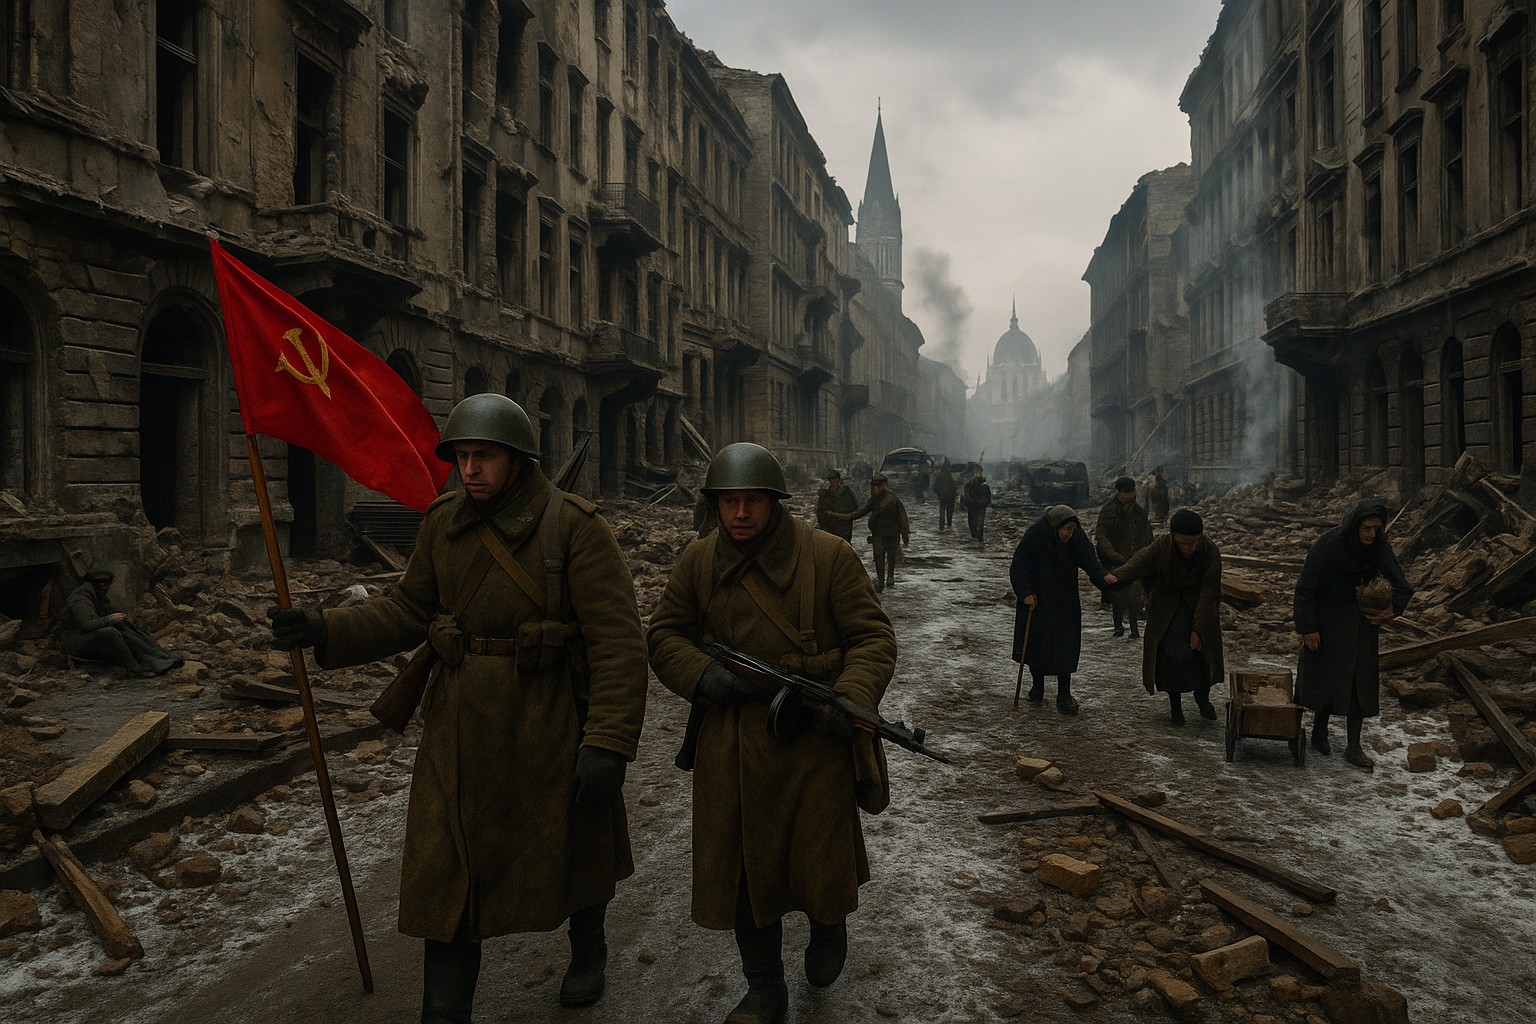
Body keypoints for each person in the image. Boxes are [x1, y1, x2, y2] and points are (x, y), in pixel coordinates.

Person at [267, 393, 648, 1020]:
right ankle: (444, 1007)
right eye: (462, 457)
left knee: (574, 845)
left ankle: (589, 946)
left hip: (547, 716)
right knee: (445, 868)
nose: (470, 470)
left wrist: (607, 740)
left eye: (485, 457)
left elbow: (618, 644)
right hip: (460, 723)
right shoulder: (442, 523)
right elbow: (407, 610)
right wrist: (324, 628)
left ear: (519, 460)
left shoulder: (574, 527)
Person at [647, 442, 897, 1024]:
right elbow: (664, 636)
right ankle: (763, 988)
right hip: (730, 742)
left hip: (812, 739)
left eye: (751, 502)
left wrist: (853, 697)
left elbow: (872, 639)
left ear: (774, 503)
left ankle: (828, 925)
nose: (739, 514)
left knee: (818, 858)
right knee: (740, 871)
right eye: (728, 502)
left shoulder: (828, 558)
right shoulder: (697, 563)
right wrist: (705, 675)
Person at [1293, 497, 1412, 770]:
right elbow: (1306, 588)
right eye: (1366, 528)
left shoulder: (1378, 547)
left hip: (1361, 626)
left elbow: (1402, 585)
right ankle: (1319, 731)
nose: (1371, 534)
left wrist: (1389, 611)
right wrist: (1308, 628)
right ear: (1354, 526)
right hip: (1328, 621)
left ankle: (1353, 746)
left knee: (1360, 684)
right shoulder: (1329, 545)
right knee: (1326, 675)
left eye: (1376, 528)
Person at [1105, 509, 1224, 725]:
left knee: (1202, 656)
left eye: (1194, 542)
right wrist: (1115, 578)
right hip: (1167, 608)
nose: (1191, 548)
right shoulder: (1162, 547)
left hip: (1199, 607)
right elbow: (1139, 563)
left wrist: (1199, 629)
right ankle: (1175, 707)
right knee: (1171, 658)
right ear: (1174, 537)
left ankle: (1202, 698)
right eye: (1185, 543)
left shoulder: (1209, 551)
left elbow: (1209, 594)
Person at [1010, 504, 1110, 714]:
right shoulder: (1036, 534)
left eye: (1072, 530)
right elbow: (1020, 564)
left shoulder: (1075, 537)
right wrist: (1026, 592)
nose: (1068, 534)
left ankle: (1064, 694)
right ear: (1055, 527)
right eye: (1065, 530)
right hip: (1038, 600)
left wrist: (1104, 578)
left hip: (1065, 600)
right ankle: (1038, 685)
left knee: (1066, 646)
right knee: (1037, 645)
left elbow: (1089, 560)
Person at [61, 565, 181, 676]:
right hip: (75, 642)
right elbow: (86, 624)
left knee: (124, 626)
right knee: (110, 632)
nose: (108, 588)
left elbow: (110, 611)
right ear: (101, 584)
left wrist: (120, 618)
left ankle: (159, 657)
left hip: (88, 637)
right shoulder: (80, 599)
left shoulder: (96, 596)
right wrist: (110, 619)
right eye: (107, 585)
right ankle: (134, 668)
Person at [1095, 477, 1154, 639]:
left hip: (1134, 558)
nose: (1130, 495)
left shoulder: (1138, 511)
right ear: (1119, 493)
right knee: (1117, 593)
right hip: (1115, 558)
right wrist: (1112, 554)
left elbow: (1147, 534)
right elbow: (1102, 535)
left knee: (1133, 594)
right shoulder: (1109, 510)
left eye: (1131, 492)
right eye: (1126, 492)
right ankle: (1118, 626)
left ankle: (1134, 629)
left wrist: (1146, 554)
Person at [833, 473, 910, 593]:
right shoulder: (874, 500)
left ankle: (890, 576)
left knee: (891, 555)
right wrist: (845, 517)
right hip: (878, 533)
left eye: (875, 486)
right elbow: (861, 511)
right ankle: (881, 581)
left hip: (892, 533)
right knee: (878, 557)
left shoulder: (893, 499)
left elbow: (903, 517)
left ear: (882, 486)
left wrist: (905, 533)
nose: (872, 489)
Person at [814, 468, 858, 542]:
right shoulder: (825, 494)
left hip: (844, 527)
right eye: (831, 479)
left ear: (839, 479)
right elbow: (820, 510)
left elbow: (854, 507)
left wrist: (845, 516)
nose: (833, 481)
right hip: (829, 526)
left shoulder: (846, 492)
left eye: (835, 478)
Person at [962, 472, 992, 544]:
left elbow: (966, 497)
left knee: (972, 522)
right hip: (981, 506)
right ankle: (980, 537)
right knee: (980, 522)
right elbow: (988, 497)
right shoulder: (985, 487)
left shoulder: (968, 487)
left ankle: (976, 535)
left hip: (973, 507)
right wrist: (988, 503)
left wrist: (966, 504)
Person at [933, 461, 958, 533]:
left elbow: (935, 488)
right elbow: (954, 488)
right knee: (949, 512)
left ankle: (941, 527)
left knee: (942, 512)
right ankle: (949, 526)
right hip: (950, 498)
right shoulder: (950, 478)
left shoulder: (939, 477)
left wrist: (939, 495)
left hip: (942, 498)